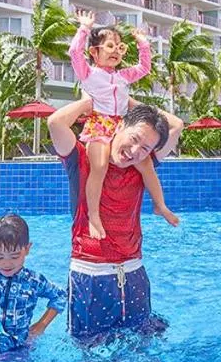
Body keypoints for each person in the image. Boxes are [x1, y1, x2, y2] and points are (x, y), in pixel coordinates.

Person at [47, 95, 184, 340]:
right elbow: (55, 122)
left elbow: (176, 125)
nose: (134, 151)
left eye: (145, 148)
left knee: (141, 345)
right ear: (119, 126)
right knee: (90, 352)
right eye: (134, 139)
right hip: (90, 273)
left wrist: (127, 100)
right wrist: (91, 101)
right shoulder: (81, 158)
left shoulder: (143, 165)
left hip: (134, 273)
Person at [69, 10, 178, 240]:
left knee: (146, 164)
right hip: (99, 124)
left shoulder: (122, 76)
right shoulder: (88, 73)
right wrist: (84, 29)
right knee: (98, 166)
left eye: (119, 48)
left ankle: (160, 205)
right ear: (94, 52)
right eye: (110, 46)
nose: (116, 52)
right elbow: (73, 53)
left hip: (122, 126)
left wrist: (143, 45)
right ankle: (94, 216)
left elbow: (144, 68)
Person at [0, 168, 66, 354]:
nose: (6, 263)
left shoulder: (33, 281)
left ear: (27, 249)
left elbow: (60, 295)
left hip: (19, 351)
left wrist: (42, 324)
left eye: (14, 256)